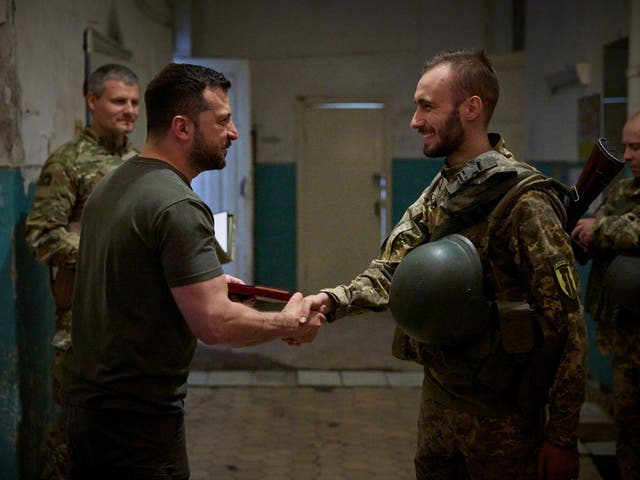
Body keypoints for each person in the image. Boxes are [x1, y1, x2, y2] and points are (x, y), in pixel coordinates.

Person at [305, 50, 587, 480]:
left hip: (504, 421)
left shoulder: (525, 201)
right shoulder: (445, 188)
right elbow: (391, 270)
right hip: (440, 404)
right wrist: (329, 301)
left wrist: (563, 436)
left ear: (471, 109)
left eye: (427, 106)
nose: (415, 121)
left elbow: (567, 325)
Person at [61, 63, 324, 479]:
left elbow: (132, 279)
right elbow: (215, 325)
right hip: (139, 423)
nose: (234, 133)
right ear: (182, 127)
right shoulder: (178, 205)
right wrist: (288, 321)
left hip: (90, 410)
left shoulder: (112, 185)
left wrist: (210, 282)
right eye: (222, 121)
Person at [25, 63, 140, 480]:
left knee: (122, 435)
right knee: (75, 437)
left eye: (134, 102)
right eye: (117, 101)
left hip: (129, 320)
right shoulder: (69, 162)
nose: (128, 110)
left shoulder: (138, 162)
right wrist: (106, 250)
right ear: (91, 101)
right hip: (81, 325)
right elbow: (41, 236)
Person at [571, 111, 640, 480]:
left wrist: (598, 229)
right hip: (625, 333)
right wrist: (577, 233)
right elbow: (591, 231)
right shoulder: (625, 190)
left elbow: (622, 230)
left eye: (636, 147)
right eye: (627, 145)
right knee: (628, 426)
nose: (627, 156)